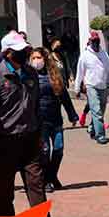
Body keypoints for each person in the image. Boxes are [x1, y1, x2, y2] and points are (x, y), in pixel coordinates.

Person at [0, 31, 62, 217]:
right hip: (4, 139)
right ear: (8, 53)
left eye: (26, 49)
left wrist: (39, 134)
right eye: (20, 51)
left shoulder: (30, 73)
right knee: (5, 188)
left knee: (36, 184)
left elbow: (36, 106)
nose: (26, 53)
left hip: (30, 137)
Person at [31, 47, 76, 192]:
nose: (36, 61)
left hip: (55, 119)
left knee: (58, 149)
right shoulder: (29, 77)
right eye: (33, 58)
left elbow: (64, 97)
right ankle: (45, 180)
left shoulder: (54, 76)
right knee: (44, 151)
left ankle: (51, 176)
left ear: (45, 59)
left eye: (39, 58)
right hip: (40, 121)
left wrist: (72, 115)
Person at [74, 29, 109, 145]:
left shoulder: (104, 53)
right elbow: (79, 73)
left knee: (101, 110)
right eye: (93, 41)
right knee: (96, 111)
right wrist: (77, 88)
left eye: (97, 41)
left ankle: (92, 128)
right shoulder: (85, 55)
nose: (95, 43)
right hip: (91, 86)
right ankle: (100, 135)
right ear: (90, 42)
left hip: (103, 85)